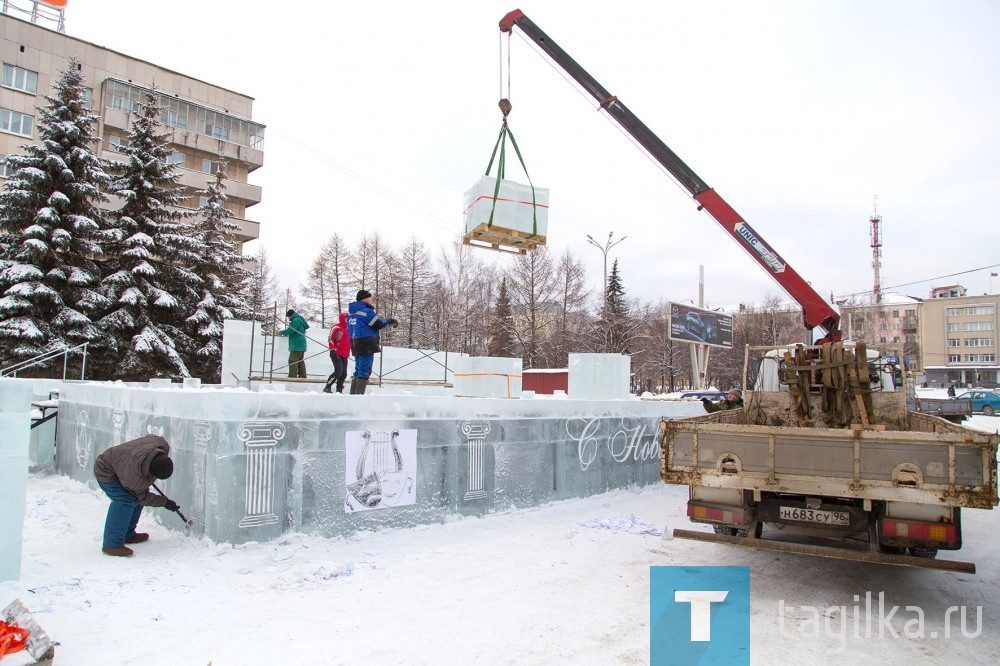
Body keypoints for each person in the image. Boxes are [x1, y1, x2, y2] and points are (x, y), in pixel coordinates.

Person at [93, 434, 179, 557]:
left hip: (123, 463)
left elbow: (151, 436)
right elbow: (142, 497)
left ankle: (128, 534)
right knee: (126, 500)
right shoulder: (134, 478)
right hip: (106, 470)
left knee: (135, 497)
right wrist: (164, 502)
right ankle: (111, 544)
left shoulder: (161, 444)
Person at [347, 289, 397, 395]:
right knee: (364, 370)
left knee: (358, 369)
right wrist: (389, 321)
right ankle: (358, 398)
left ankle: (352, 397)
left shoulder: (351, 314)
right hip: (366, 343)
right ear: (365, 299)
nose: (371, 300)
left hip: (355, 342)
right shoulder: (366, 311)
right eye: (370, 298)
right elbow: (377, 324)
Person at [323, 312, 351, 394]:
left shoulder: (349, 329)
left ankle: (339, 390)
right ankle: (328, 386)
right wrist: (333, 348)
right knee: (339, 371)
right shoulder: (336, 327)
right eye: (347, 318)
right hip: (336, 353)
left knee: (344, 373)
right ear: (343, 318)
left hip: (345, 354)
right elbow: (331, 339)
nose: (348, 320)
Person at [279, 308, 309, 379]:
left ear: (290, 315)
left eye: (288, 317)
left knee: (292, 360)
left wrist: (281, 332)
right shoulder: (299, 319)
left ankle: (292, 376)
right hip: (301, 344)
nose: (288, 318)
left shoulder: (295, 320)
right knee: (300, 360)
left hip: (296, 344)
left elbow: (291, 330)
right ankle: (302, 375)